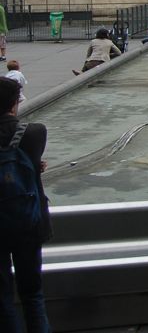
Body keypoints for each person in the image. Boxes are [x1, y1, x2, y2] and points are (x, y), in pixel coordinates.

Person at [0, 76, 52, 332]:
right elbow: (30, 165)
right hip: (29, 220)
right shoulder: (34, 132)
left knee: (3, 298)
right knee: (33, 295)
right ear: (13, 105)